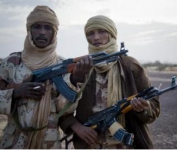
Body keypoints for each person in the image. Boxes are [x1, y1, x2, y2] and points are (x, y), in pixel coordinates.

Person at [59, 15, 160, 149]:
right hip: (89, 145)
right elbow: (61, 108)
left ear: (111, 34)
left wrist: (142, 109)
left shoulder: (130, 65)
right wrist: (77, 127)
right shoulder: (81, 67)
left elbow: (153, 110)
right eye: (90, 33)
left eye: (102, 31)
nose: (96, 37)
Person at [0, 6, 92, 149]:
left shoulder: (63, 65)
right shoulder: (10, 63)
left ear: (54, 33)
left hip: (48, 143)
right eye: (37, 27)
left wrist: (75, 79)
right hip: (14, 142)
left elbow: (65, 111)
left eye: (48, 28)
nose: (42, 32)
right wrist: (16, 93)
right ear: (29, 30)